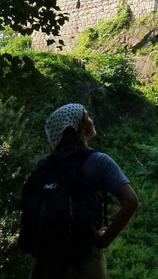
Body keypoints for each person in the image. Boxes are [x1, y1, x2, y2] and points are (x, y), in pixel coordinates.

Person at [27, 103, 139, 279]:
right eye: (86, 117)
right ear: (78, 128)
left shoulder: (43, 164)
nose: (91, 121)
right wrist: (104, 240)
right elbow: (131, 201)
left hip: (45, 257)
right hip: (84, 258)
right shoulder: (100, 161)